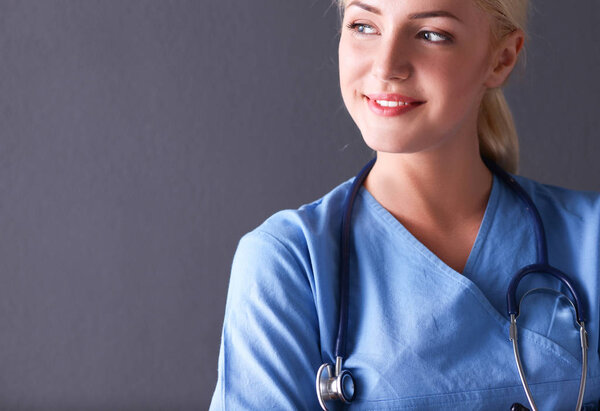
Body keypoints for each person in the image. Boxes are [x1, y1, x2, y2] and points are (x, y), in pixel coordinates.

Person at [209, 0, 600, 409]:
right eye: (364, 26)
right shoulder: (289, 262)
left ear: (501, 59)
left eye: (431, 34)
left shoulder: (590, 241)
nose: (386, 65)